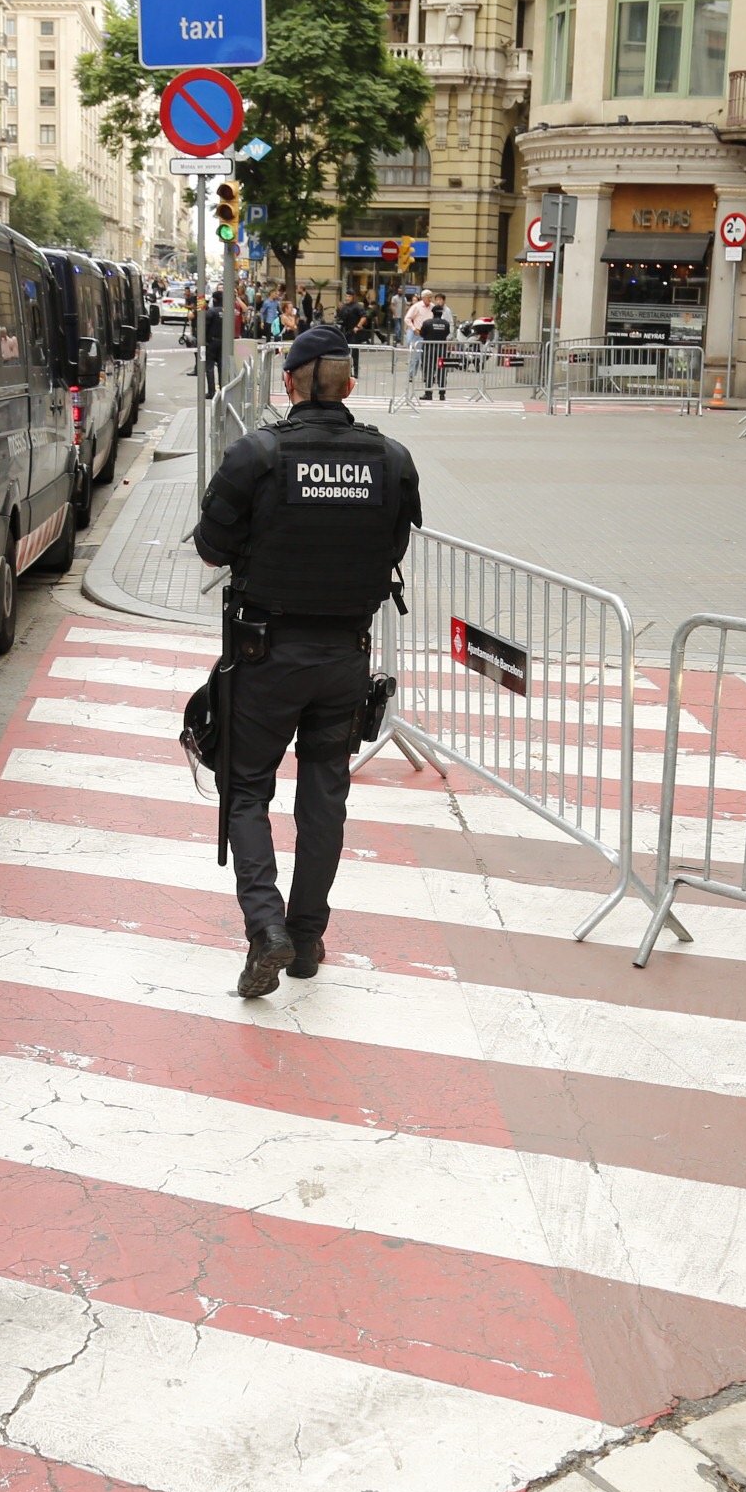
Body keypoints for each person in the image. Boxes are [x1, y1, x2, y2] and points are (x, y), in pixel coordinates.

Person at [195, 324, 423, 997]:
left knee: (245, 789)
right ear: (349, 384)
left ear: (288, 383)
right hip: (346, 655)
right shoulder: (392, 460)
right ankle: (307, 936)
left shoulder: (257, 455)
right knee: (325, 794)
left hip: (266, 656)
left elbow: (211, 546)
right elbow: (395, 547)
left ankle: (267, 927)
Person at [417, 292, 455, 401]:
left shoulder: (427, 323)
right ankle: (442, 394)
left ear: (432, 312)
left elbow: (422, 334)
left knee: (429, 370)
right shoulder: (446, 324)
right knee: (442, 371)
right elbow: (447, 333)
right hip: (441, 350)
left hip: (429, 350)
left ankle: (428, 393)